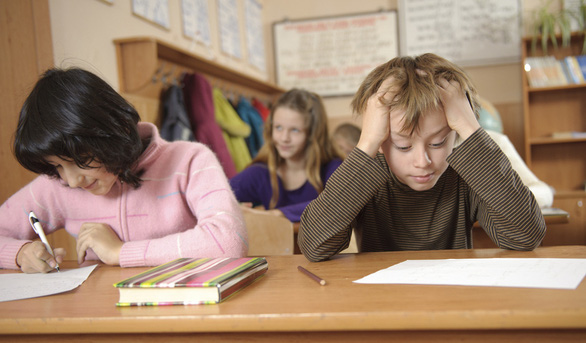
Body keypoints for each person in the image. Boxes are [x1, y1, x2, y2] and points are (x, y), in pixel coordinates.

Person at [298, 53, 546, 262]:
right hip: (382, 304)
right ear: (382, 141)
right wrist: (367, 144)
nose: (422, 161)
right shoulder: (365, 175)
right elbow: (313, 246)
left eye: (438, 142)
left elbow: (526, 235)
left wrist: (471, 129)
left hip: (454, 302)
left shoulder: (468, 172)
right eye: (403, 146)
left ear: (454, 132)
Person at [0, 67, 248, 273]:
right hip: (104, 322)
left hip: (186, 313)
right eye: (57, 166)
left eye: (78, 159)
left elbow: (228, 241)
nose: (72, 181)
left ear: (109, 132)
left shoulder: (190, 161)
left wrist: (120, 252)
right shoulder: (57, 185)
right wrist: (20, 253)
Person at [229, 89, 343, 223]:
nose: (284, 138)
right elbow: (213, 197)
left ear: (313, 134)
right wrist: (237, 210)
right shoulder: (261, 172)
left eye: (295, 130)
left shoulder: (334, 168)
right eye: (278, 128)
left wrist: (276, 215)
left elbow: (336, 204)